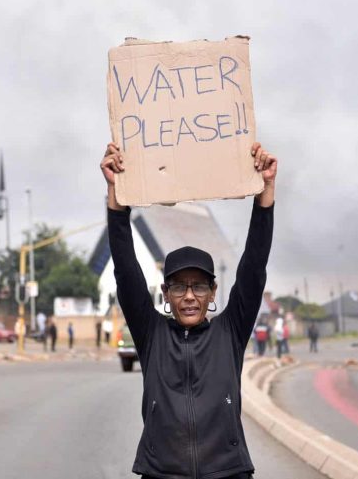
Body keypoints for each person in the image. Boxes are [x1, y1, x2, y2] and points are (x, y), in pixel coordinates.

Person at [101, 140, 276, 479]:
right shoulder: (151, 334)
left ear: (213, 293)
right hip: (161, 472)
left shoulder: (230, 332)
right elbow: (125, 270)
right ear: (166, 294)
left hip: (228, 471)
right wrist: (115, 197)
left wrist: (265, 193)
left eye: (199, 286)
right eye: (179, 286)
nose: (190, 296)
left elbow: (253, 268)